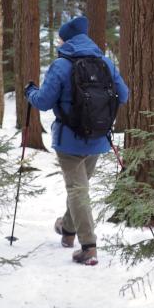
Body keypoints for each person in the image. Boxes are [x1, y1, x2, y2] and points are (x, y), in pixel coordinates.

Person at [25, 16, 129, 266]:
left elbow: (43, 102)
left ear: (67, 39)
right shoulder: (105, 62)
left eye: (61, 38)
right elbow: (123, 95)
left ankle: (89, 247)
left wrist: (30, 91)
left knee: (77, 190)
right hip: (98, 138)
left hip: (69, 140)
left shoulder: (61, 65)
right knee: (79, 189)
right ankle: (68, 230)